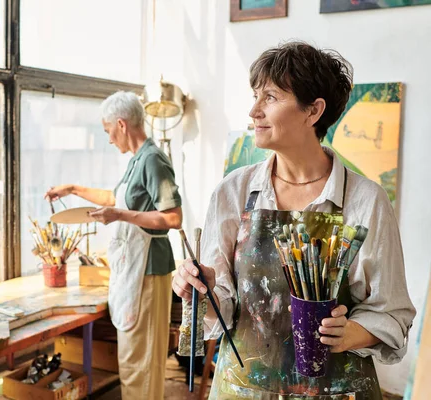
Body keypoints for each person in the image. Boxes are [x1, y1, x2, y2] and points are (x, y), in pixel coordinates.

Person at [172, 41, 416, 399]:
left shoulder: (365, 200)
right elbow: (221, 310)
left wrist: (351, 332)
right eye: (255, 95)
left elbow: (392, 313)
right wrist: (202, 291)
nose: (254, 110)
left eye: (270, 97)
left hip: (337, 390)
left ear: (313, 110)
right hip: (244, 389)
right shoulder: (233, 192)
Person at [45, 91, 182, 399]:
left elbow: (173, 218)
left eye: (107, 131)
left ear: (121, 124)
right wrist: (74, 189)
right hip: (135, 268)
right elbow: (114, 199)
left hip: (148, 268)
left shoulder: (153, 160)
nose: (108, 139)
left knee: (141, 360)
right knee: (133, 358)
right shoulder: (137, 160)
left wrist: (119, 215)